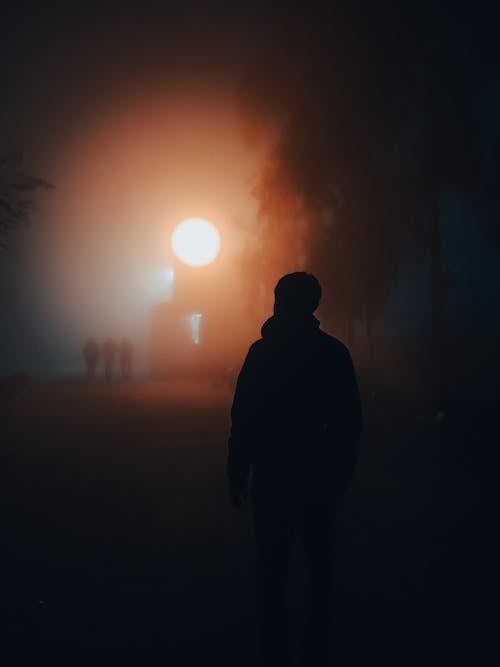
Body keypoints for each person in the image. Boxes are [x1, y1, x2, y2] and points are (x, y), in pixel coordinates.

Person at [227, 272, 362, 666]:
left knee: (272, 567)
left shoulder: (261, 353)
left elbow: (244, 417)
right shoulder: (332, 353)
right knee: (319, 567)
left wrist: (237, 467)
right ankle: (317, 647)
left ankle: (274, 648)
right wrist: (342, 471)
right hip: (317, 476)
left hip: (272, 474)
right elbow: (348, 420)